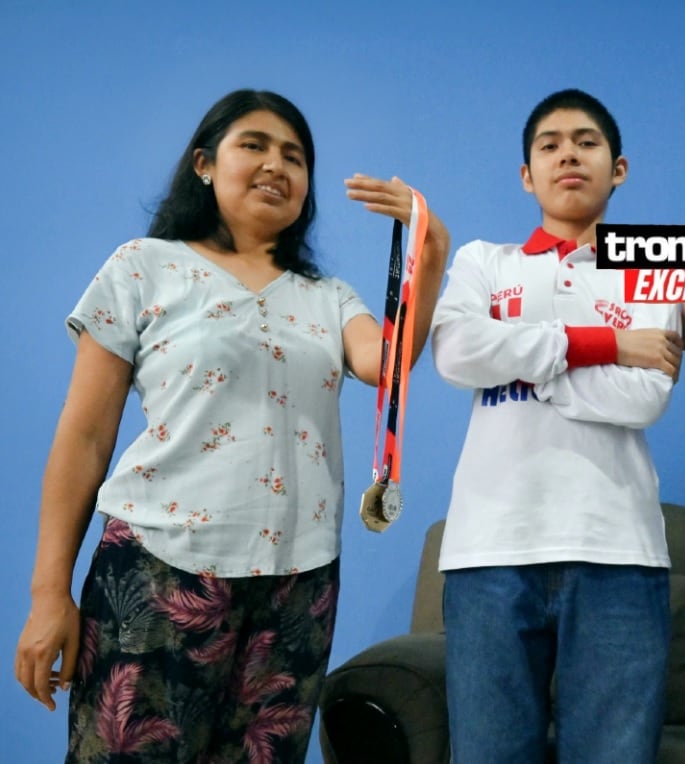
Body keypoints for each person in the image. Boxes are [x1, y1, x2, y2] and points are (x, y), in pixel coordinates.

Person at [13, 89, 449, 763]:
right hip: (159, 573)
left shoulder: (327, 298)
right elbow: (85, 437)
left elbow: (388, 366)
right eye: (255, 145)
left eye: (294, 155)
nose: (277, 164)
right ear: (205, 165)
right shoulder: (143, 266)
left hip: (296, 590)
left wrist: (431, 250)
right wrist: (50, 594)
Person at [431, 88, 683, 763]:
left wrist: (524, 356)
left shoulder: (655, 261)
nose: (568, 153)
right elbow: (456, 355)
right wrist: (603, 344)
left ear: (618, 167)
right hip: (488, 551)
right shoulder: (485, 260)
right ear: (527, 174)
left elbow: (644, 397)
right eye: (549, 144)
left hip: (619, 552)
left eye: (586, 141)